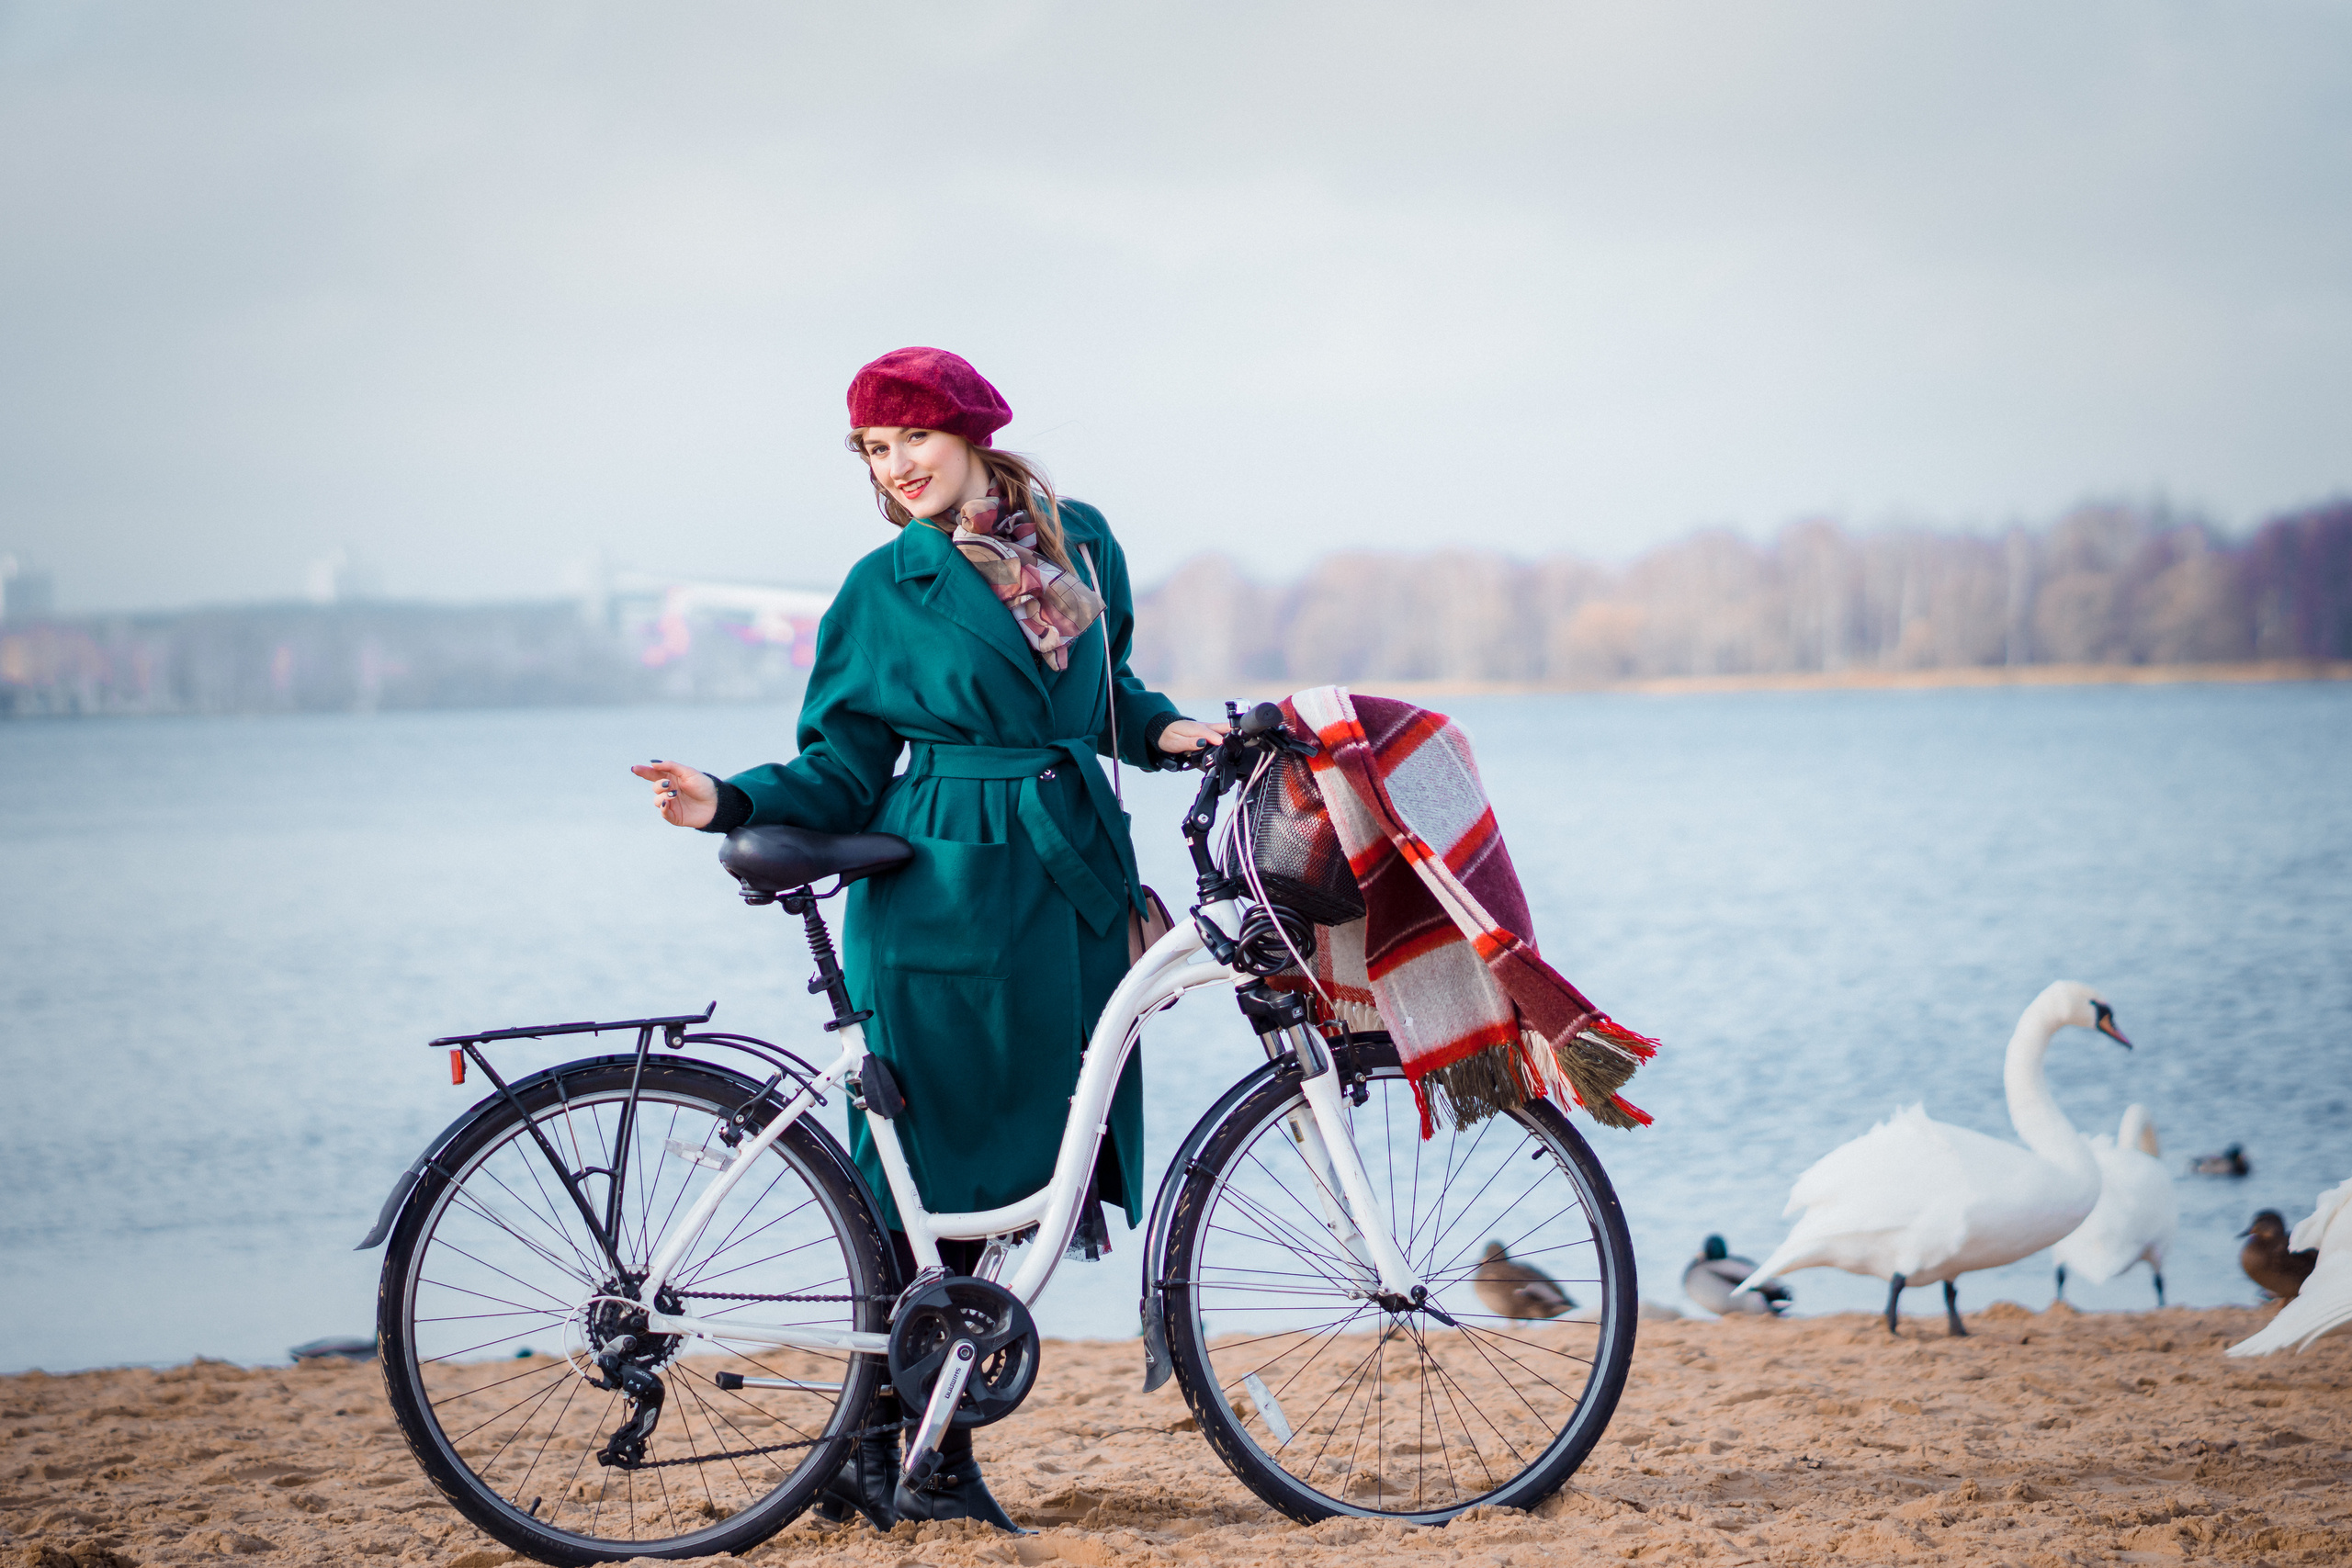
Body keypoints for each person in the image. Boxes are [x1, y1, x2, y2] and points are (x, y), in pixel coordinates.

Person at [631, 347, 1225, 1531]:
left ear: (971, 432)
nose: (895, 467)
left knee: (1032, 1176)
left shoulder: (1081, 541)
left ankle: (926, 1444)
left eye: (911, 439)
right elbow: (843, 762)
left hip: (1065, 884)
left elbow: (1106, 696)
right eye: (872, 449)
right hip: (943, 885)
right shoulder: (880, 586)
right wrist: (731, 799)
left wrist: (1172, 737)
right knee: (924, 1178)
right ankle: (894, 1456)